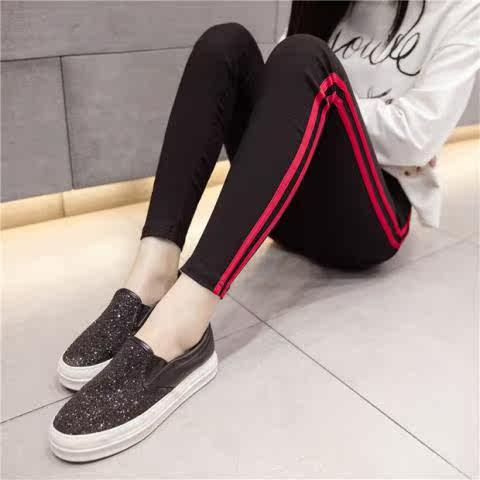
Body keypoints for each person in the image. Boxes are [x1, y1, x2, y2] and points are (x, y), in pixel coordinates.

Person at [49, 0, 479, 461]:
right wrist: (327, 103)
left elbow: (418, 136)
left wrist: (325, 102)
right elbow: (285, 98)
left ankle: (184, 324)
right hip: (284, 210)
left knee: (303, 58)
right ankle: (152, 275)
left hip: (370, 222)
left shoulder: (461, 10)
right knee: (225, 43)